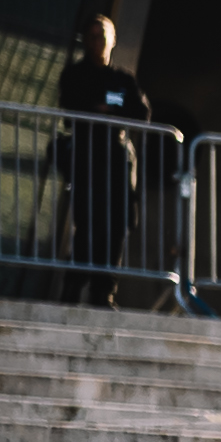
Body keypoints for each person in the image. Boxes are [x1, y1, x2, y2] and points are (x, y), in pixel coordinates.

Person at [52, 16, 167, 295]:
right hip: (87, 158)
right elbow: (73, 106)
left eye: (102, 36)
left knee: (117, 225)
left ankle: (104, 292)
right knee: (88, 223)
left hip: (117, 161)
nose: (97, 43)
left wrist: (109, 111)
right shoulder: (75, 75)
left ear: (112, 40)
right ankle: (74, 287)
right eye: (92, 36)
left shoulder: (123, 79)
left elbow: (142, 113)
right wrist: (103, 110)